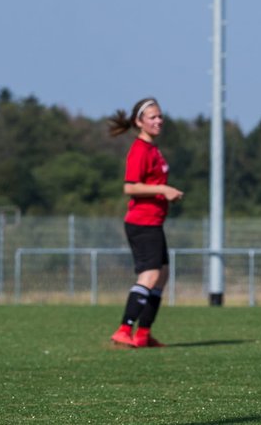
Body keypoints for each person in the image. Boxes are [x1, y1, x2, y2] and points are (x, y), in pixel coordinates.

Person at [107, 97, 183, 348]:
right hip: (142, 223)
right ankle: (123, 329)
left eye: (160, 116)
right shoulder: (139, 149)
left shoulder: (153, 149)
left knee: (161, 276)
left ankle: (143, 334)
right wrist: (163, 189)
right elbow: (129, 187)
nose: (158, 120)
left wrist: (165, 193)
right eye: (152, 117)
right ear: (139, 122)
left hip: (155, 222)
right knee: (149, 276)